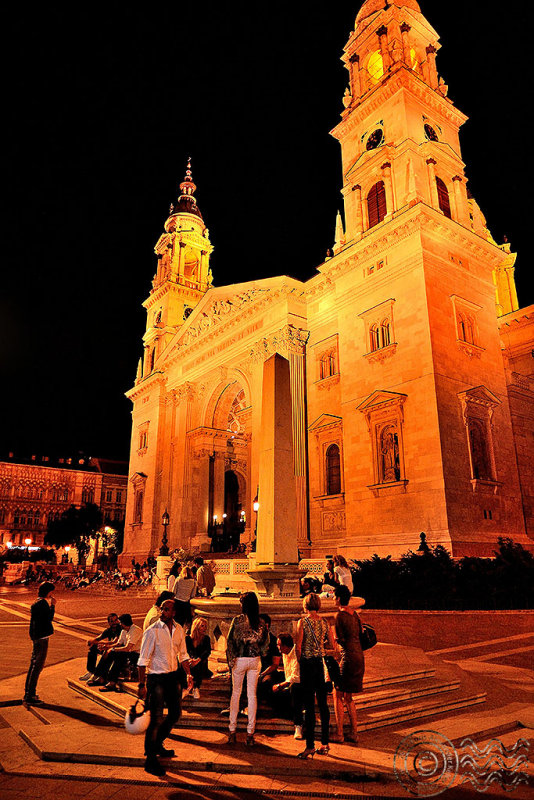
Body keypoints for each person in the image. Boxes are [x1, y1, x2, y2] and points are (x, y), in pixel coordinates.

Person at [137, 598, 193, 776]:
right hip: (156, 679)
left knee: (175, 714)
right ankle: (150, 759)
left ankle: (157, 743)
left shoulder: (179, 630)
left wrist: (189, 673)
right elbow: (142, 661)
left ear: (174, 613)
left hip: (173, 677)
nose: (163, 612)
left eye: (167, 609)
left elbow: (183, 655)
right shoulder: (152, 631)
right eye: (162, 609)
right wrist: (141, 685)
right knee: (156, 719)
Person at [295, 592, 336, 758]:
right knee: (323, 705)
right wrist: (320, 645)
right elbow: (332, 644)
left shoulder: (303, 622)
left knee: (309, 706)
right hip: (320, 664)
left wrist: (300, 661)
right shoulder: (325, 622)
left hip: (307, 664)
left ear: (305, 605)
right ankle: (325, 743)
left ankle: (310, 745)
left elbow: (298, 646)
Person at [226, 592, 268, 747]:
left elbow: (230, 641)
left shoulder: (237, 621)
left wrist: (231, 660)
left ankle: (232, 731)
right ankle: (250, 733)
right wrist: (260, 653)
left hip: (240, 659)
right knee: (252, 695)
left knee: (235, 694)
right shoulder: (261, 622)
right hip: (255, 660)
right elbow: (265, 642)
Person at [331, 584, 364, 744]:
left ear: (338, 598)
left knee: (337, 693)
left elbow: (339, 640)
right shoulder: (355, 614)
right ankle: (355, 733)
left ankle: (339, 733)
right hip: (359, 656)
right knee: (349, 697)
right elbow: (360, 633)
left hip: (348, 656)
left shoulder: (339, 616)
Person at [24, 581, 56, 705]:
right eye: (51, 591)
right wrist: (52, 606)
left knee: (33, 665)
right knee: (37, 666)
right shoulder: (42, 604)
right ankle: (30, 695)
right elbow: (49, 618)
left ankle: (28, 692)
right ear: (48, 591)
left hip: (36, 636)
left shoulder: (36, 603)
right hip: (42, 638)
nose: (52, 593)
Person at [98, 613, 143, 691]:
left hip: (137, 654)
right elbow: (118, 644)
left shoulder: (135, 631)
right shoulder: (124, 630)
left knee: (119, 657)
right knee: (109, 654)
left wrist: (113, 649)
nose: (119, 624)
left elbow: (127, 648)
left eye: (120, 622)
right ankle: (102, 677)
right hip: (128, 652)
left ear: (124, 623)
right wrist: (107, 647)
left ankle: (112, 682)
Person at [272, 632, 304, 740]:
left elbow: (296, 676)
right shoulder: (284, 653)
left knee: (295, 689)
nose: (278, 648)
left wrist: (281, 685)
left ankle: (298, 725)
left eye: (279, 645)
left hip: (302, 684)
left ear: (286, 646)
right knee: (268, 681)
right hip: (289, 680)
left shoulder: (297, 652)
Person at [80, 612, 121, 681]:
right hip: (110, 647)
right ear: (109, 622)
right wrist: (92, 641)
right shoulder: (108, 630)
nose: (114, 623)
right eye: (112, 621)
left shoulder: (120, 629)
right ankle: (91, 671)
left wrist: (103, 644)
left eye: (116, 620)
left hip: (118, 649)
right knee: (93, 648)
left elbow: (115, 642)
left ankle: (97, 674)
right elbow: (97, 639)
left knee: (105, 651)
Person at [257, 613, 283, 705]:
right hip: (254, 670)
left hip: (267, 671)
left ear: (267, 626)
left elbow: (275, 664)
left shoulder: (273, 641)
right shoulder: (254, 639)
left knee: (266, 682)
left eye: (260, 625)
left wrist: (262, 674)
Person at [186, 617, 212, 699]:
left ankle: (196, 687)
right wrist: (190, 659)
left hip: (201, 663)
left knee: (198, 665)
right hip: (191, 662)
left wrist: (197, 660)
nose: (205, 628)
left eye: (205, 626)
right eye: (202, 626)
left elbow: (207, 652)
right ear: (196, 626)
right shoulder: (188, 639)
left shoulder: (206, 639)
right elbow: (185, 652)